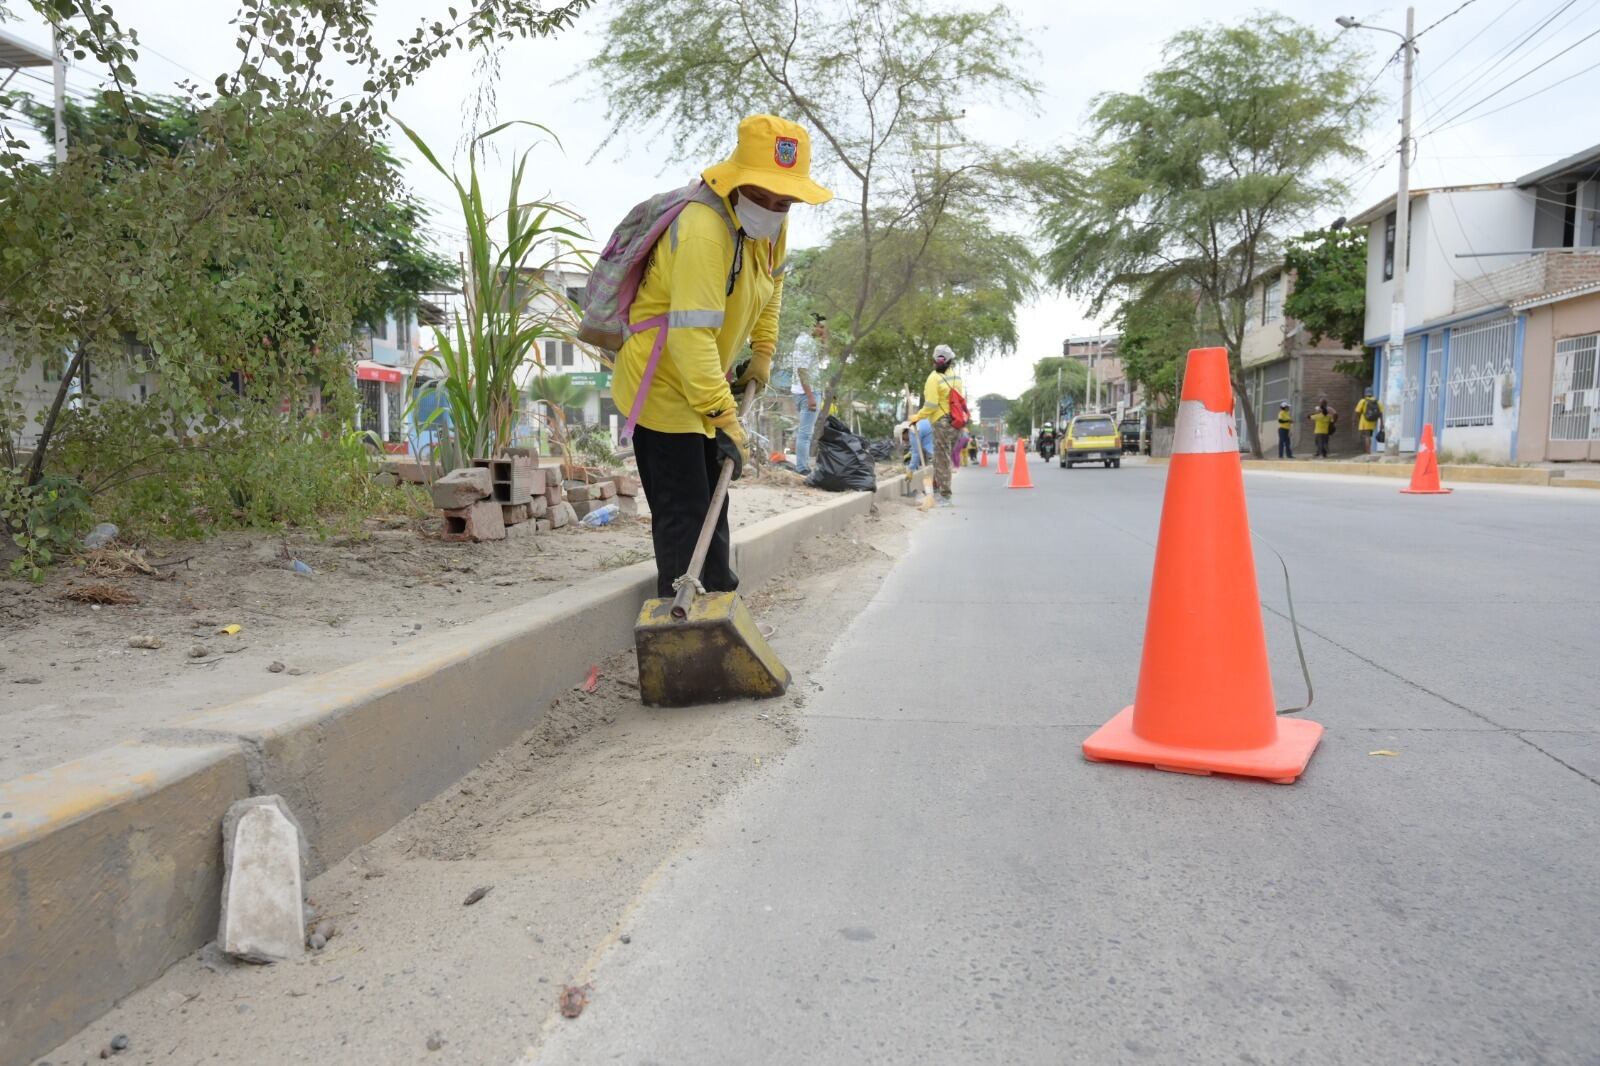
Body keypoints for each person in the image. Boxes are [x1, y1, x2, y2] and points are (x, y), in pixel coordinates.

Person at [610, 115, 831, 597]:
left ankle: (716, 595)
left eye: (785, 200)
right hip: (664, 381)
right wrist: (724, 417)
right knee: (683, 506)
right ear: (738, 181)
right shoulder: (702, 231)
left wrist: (763, 353)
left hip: (706, 375)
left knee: (713, 495)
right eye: (764, 196)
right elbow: (690, 338)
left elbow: (771, 285)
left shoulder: (771, 226)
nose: (774, 208)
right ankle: (679, 620)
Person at [910, 344, 965, 502]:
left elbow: (932, 404)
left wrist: (917, 416)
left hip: (942, 421)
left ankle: (945, 496)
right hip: (956, 423)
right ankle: (937, 487)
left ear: (934, 359)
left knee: (941, 459)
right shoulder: (956, 376)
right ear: (950, 361)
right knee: (944, 457)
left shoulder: (933, 378)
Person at [789, 315, 826, 474]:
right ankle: (802, 468)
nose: (823, 331)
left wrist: (824, 341)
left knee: (804, 432)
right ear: (813, 325)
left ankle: (802, 466)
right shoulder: (805, 343)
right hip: (807, 393)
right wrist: (811, 397)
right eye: (821, 327)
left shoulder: (806, 341)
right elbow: (802, 370)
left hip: (803, 391)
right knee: (805, 434)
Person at [1356, 387, 1384, 452]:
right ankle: (1369, 450)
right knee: (1369, 436)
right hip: (1373, 422)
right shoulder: (1377, 402)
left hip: (1364, 421)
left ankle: (1367, 452)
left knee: (1366, 436)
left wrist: (1359, 418)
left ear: (1365, 394)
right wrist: (1382, 423)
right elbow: (1380, 413)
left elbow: (1357, 411)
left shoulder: (1363, 401)